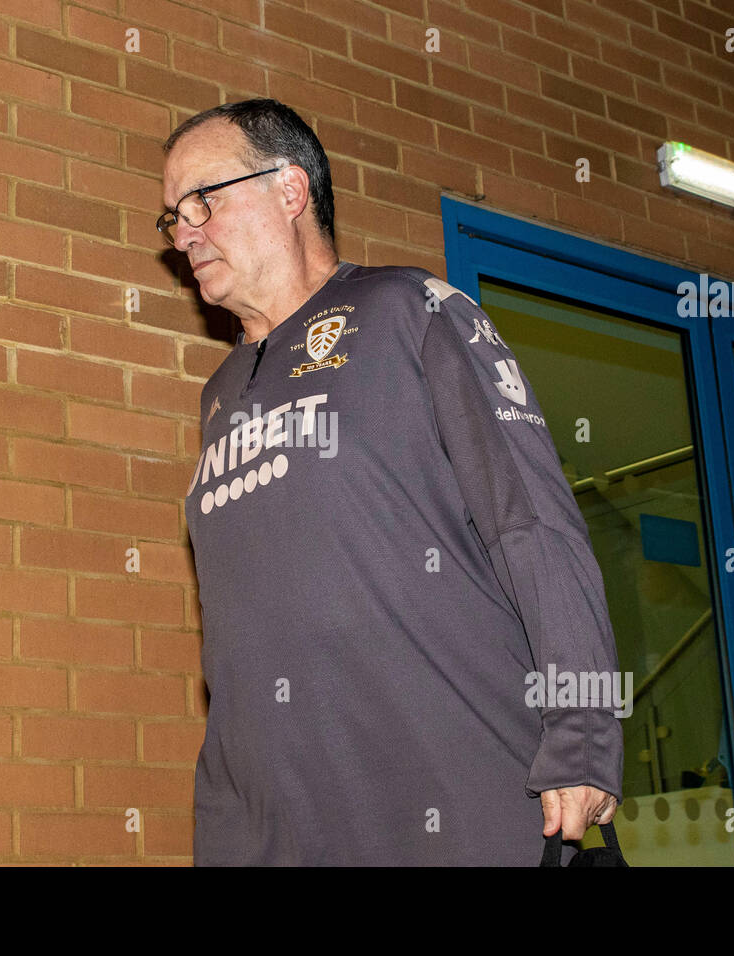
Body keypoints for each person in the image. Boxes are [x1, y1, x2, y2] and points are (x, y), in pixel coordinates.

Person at [160, 98, 623, 865]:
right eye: (172, 217)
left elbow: (532, 525)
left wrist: (583, 731)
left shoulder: (413, 313)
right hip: (276, 831)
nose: (185, 232)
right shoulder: (218, 395)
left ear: (291, 189)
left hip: (455, 808)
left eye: (204, 200)